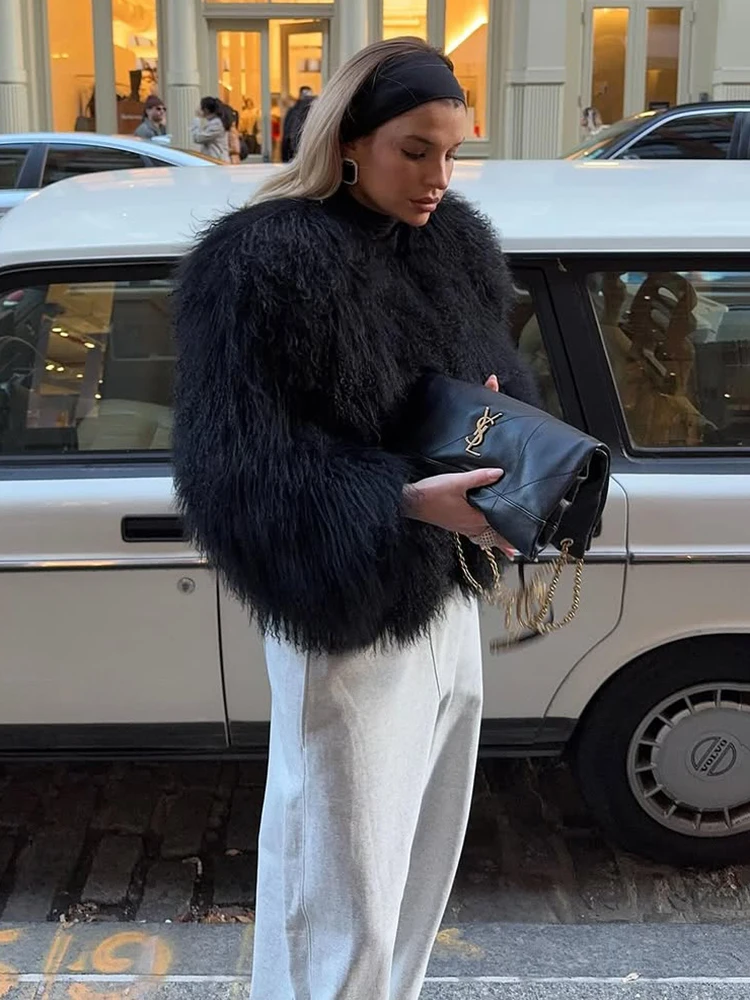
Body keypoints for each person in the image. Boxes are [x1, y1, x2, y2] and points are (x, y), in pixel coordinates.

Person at [173, 37, 538, 1000]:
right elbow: (236, 476)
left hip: (446, 593)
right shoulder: (261, 262)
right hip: (349, 607)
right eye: (415, 150)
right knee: (338, 895)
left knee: (417, 873)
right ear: (348, 142)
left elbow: (487, 378)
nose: (438, 177)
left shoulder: (452, 242)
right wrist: (401, 501)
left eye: (453, 152)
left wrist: (501, 417)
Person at [281, 87, 316, 161]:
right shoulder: (315, 109)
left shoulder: (294, 110)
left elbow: (287, 132)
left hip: (297, 149)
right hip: (309, 148)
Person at [190, 97, 229, 162]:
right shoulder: (213, 122)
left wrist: (196, 119)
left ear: (206, 110)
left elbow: (198, 138)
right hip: (214, 159)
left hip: (216, 160)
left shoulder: (216, 124)